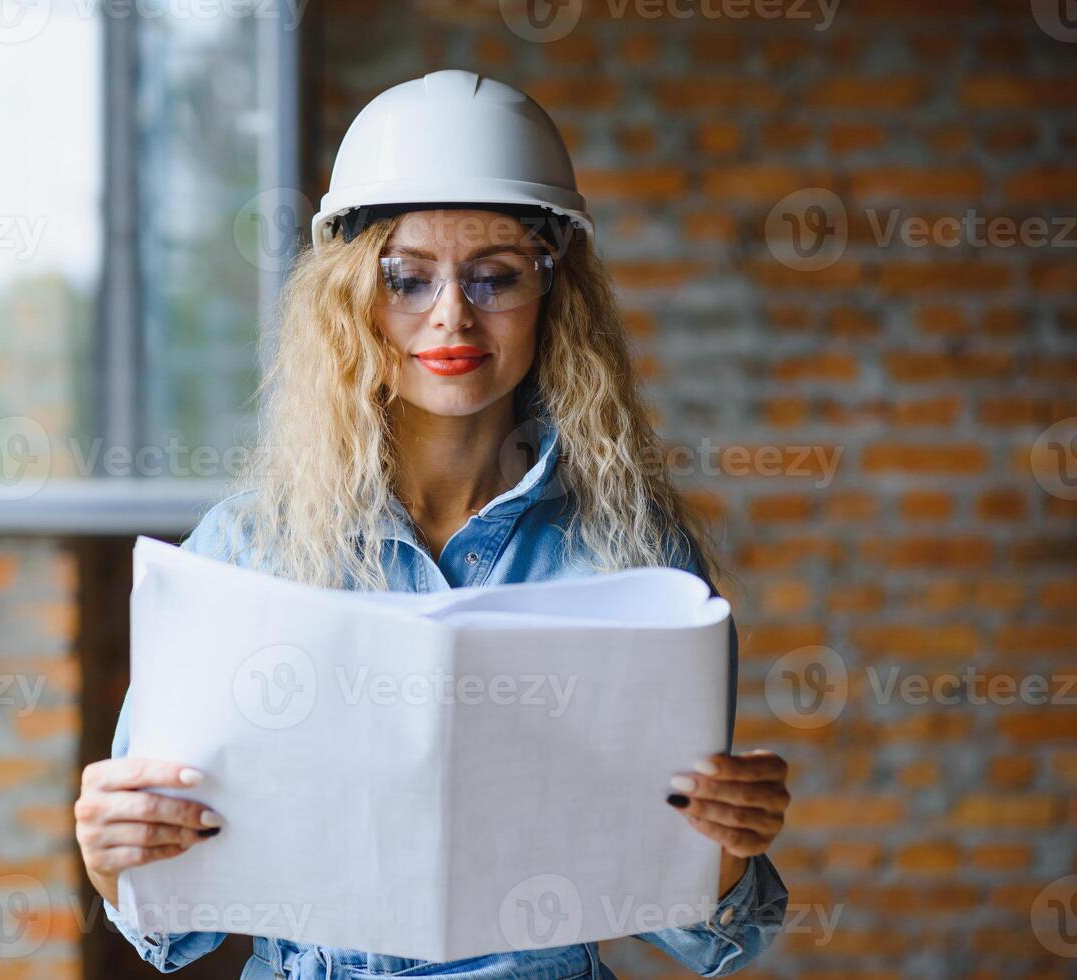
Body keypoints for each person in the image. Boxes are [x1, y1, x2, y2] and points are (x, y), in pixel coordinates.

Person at [75, 69, 790, 979]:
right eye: (406, 279)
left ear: (554, 299)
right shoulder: (242, 552)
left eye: (496, 278)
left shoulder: (640, 562)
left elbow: (706, 933)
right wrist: (114, 861)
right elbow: (175, 927)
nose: (451, 313)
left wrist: (727, 842)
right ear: (349, 301)